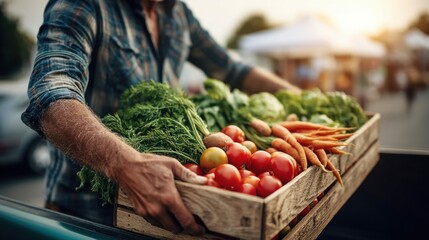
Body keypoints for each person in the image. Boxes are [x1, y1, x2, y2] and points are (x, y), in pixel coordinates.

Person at [22, 0, 300, 236]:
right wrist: (123, 163)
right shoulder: (86, 5)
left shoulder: (177, 13)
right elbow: (50, 93)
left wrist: (301, 96)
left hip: (160, 207)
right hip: (83, 212)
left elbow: (232, 69)